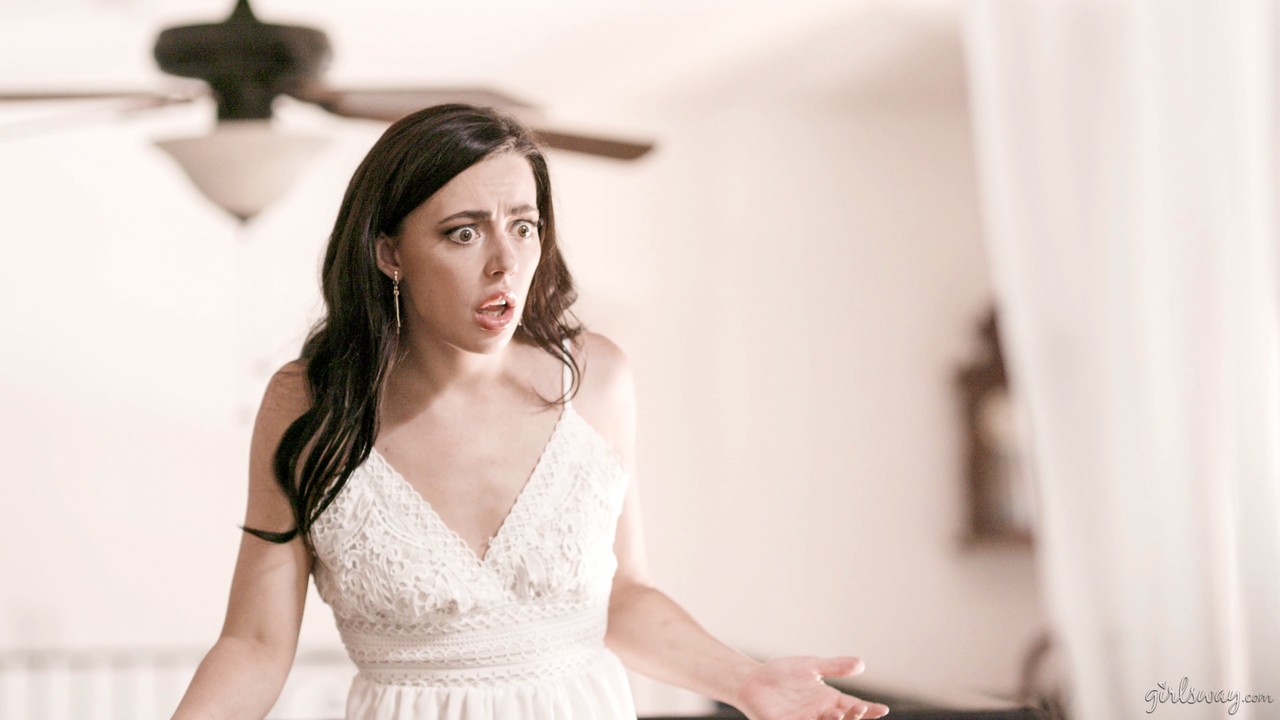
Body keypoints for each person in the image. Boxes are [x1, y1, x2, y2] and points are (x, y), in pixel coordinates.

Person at [172, 104, 891, 720]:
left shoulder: (597, 380)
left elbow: (624, 598)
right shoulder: (308, 403)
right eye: (463, 232)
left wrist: (746, 681)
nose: (505, 264)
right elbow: (255, 645)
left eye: (522, 225)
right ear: (390, 253)